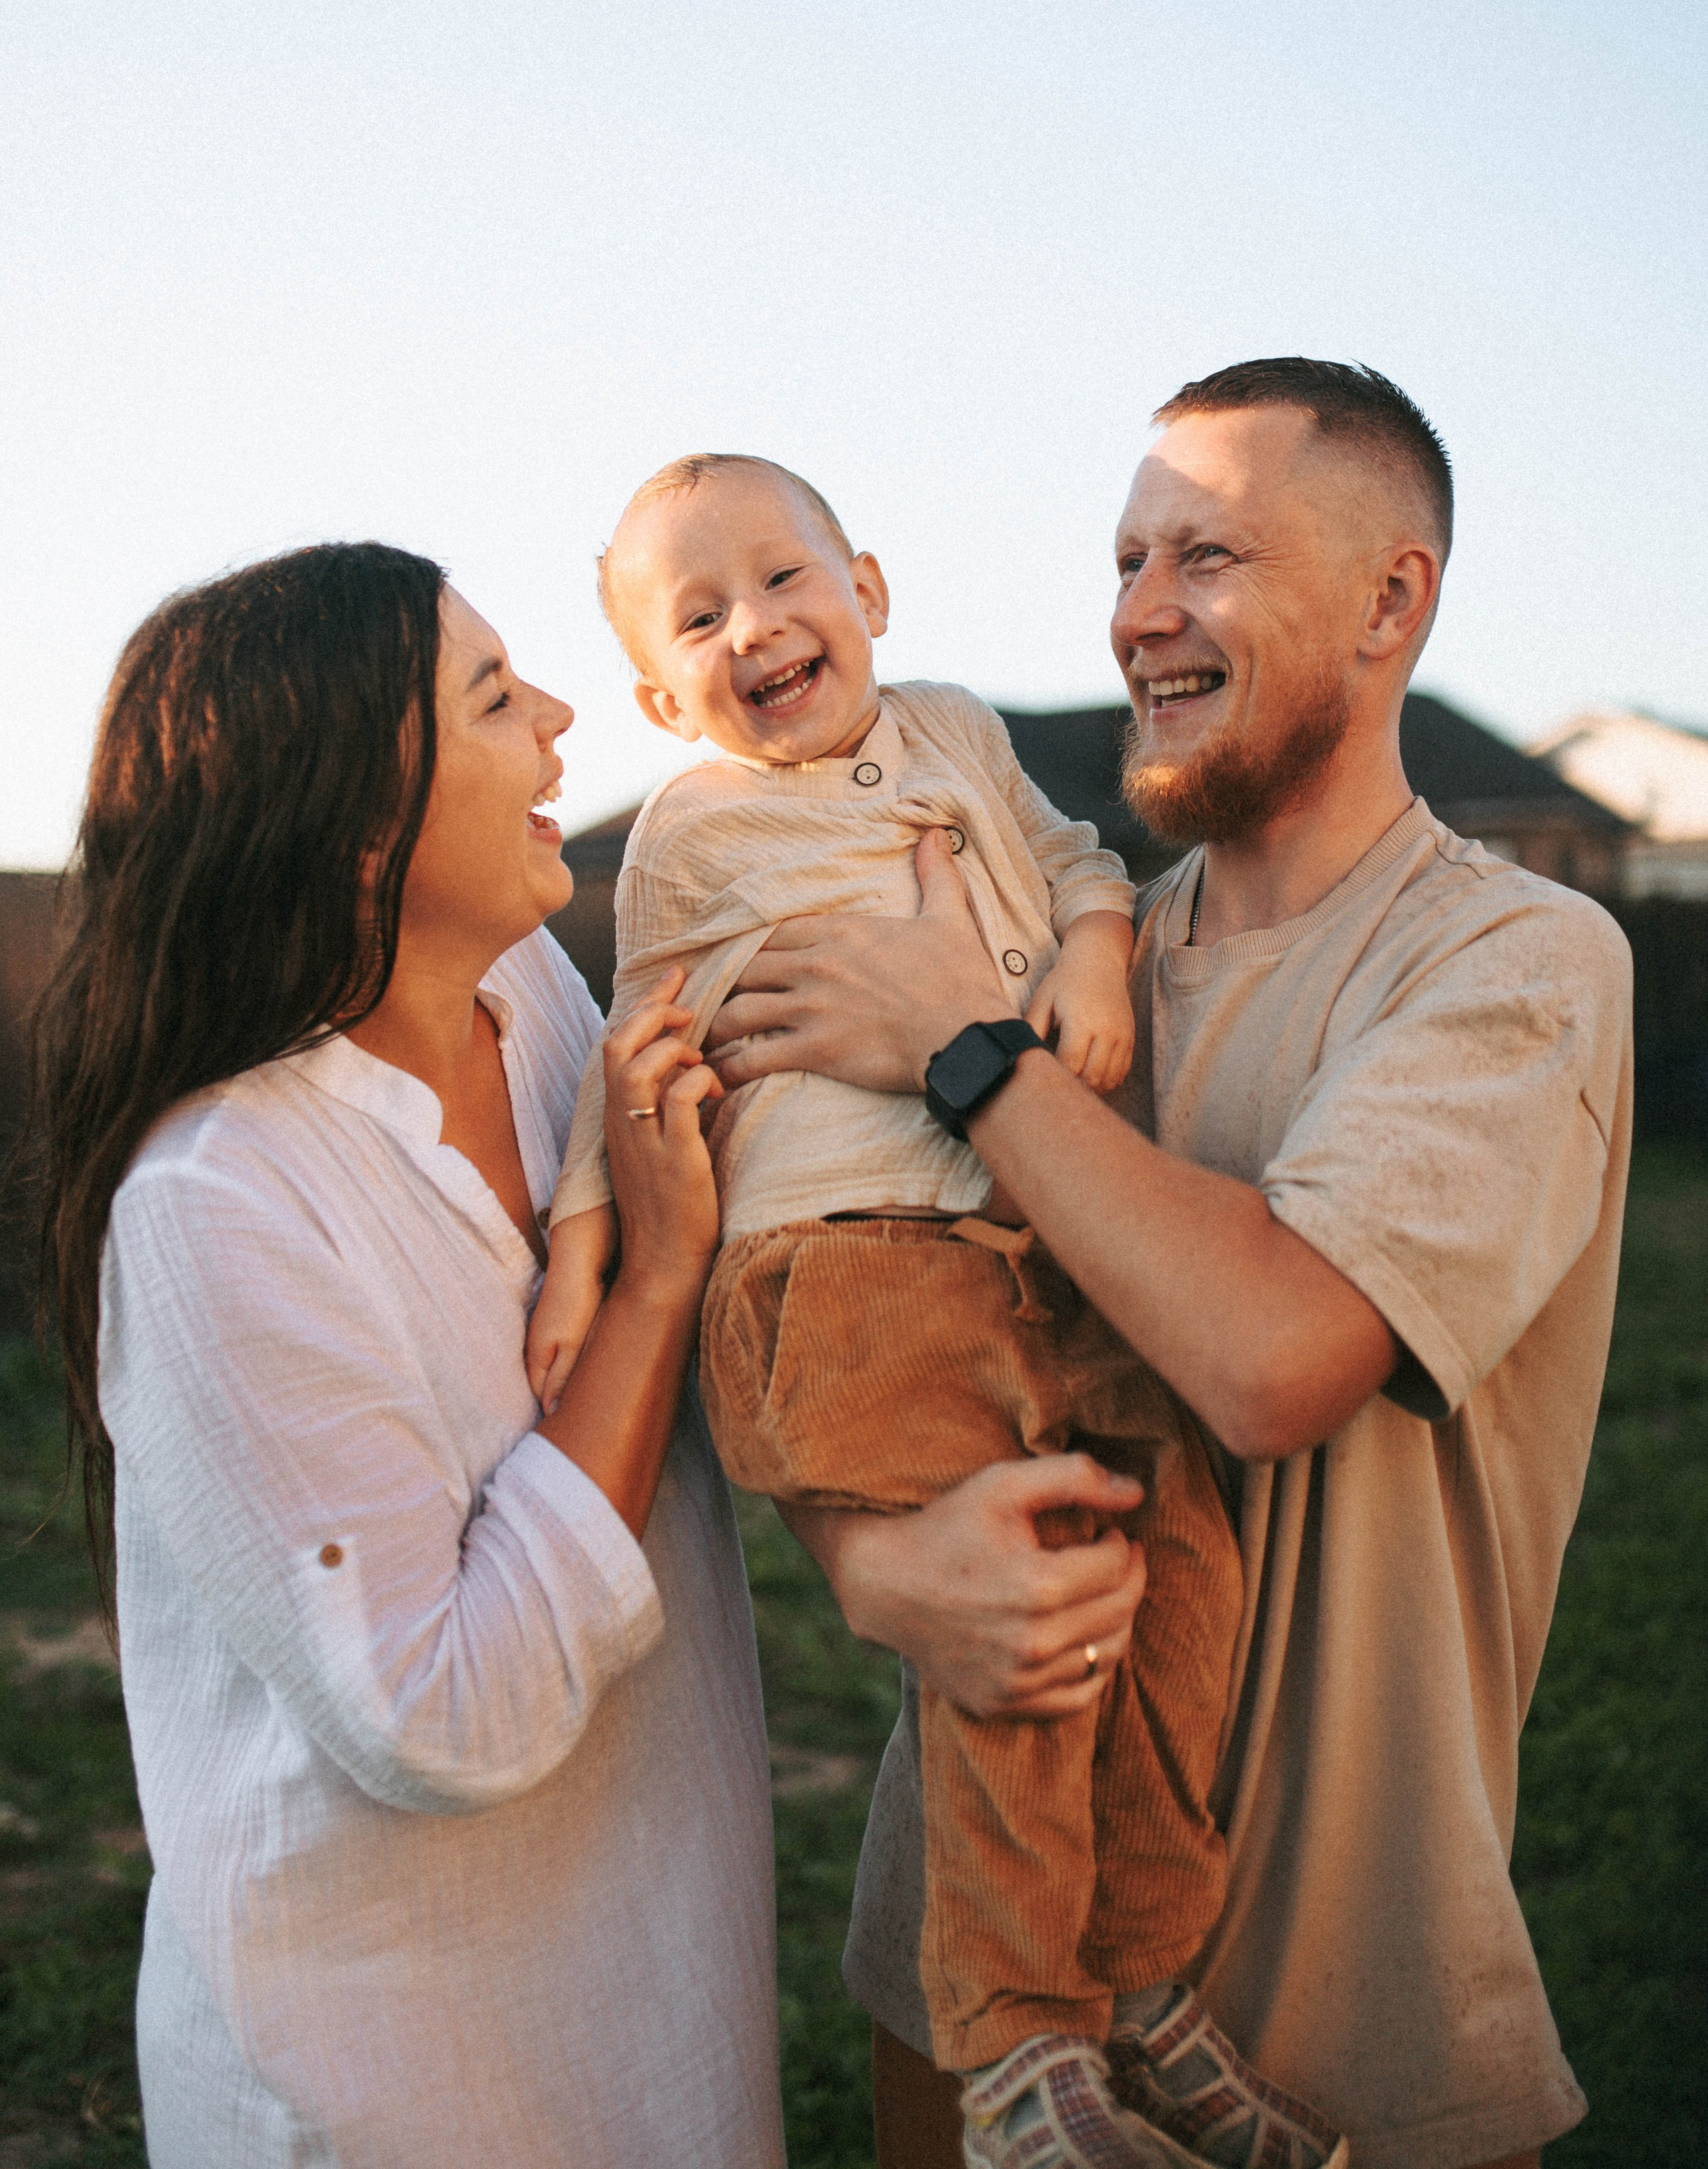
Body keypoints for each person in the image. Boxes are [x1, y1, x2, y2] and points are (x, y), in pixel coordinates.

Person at [703, 361, 1634, 2169]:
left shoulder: (1517, 961)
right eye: (1128, 558)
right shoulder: (1037, 941)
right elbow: (814, 1296)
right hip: (970, 1974)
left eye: (1204, 556)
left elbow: (1273, 1354)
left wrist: (975, 1054)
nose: (1138, 615)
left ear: (1391, 600)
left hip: (1341, 1996)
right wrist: (871, 1559)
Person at [526, 454, 1333, 2169]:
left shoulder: (959, 727)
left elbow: (1076, 860)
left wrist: (1093, 958)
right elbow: (639, 1045)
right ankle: (1015, 2051)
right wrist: (584, 1253)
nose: (754, 627)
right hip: (838, 1270)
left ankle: (1136, 1970)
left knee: (1181, 1553)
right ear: (664, 696)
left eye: (781, 579)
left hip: (1030, 1244)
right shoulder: (688, 828)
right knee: (1018, 1620)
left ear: (868, 589)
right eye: (697, 619)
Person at [29, 542, 783, 2166]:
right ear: (360, 822)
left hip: (666, 1996)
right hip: (381, 2077)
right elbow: (445, 1716)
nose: (563, 722)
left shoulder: (534, 1002)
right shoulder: (216, 1201)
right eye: (497, 698)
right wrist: (651, 1283)